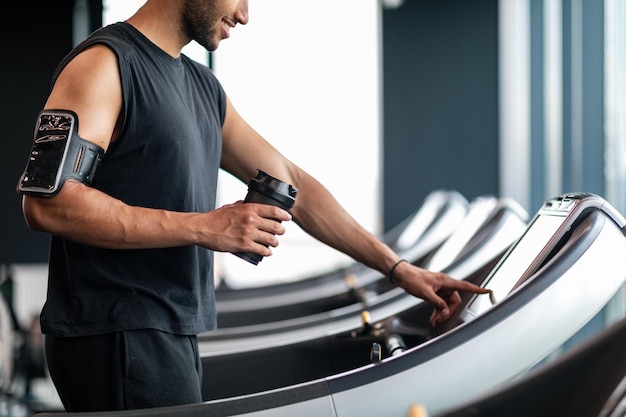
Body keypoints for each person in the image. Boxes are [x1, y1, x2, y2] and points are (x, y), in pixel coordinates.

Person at [17, 0, 489, 412]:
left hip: (167, 334)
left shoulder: (202, 88)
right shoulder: (105, 64)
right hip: (118, 335)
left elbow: (295, 182)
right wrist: (207, 228)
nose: (244, 14)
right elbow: (49, 204)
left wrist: (401, 270)